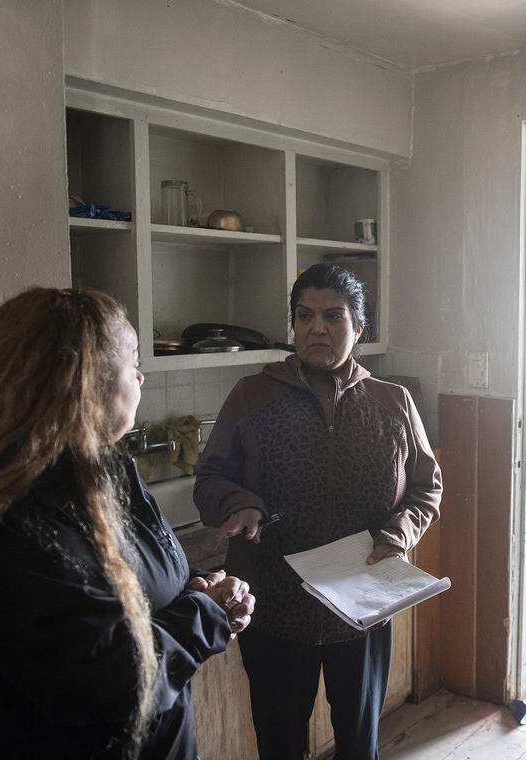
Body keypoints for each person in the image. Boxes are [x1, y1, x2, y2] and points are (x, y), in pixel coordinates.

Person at [0, 287, 256, 759]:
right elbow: (105, 681)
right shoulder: (14, 518)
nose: (141, 377)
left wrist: (198, 592)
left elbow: (144, 590)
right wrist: (204, 615)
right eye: (132, 362)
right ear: (84, 380)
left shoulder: (108, 470)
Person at [195, 263, 442, 759]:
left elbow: (426, 487)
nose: (317, 328)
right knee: (280, 737)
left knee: (359, 740)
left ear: (359, 328)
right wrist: (239, 504)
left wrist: (401, 531)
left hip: (364, 605)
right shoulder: (252, 396)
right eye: (304, 316)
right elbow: (211, 477)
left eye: (333, 316)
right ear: (292, 326)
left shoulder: (392, 402)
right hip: (276, 603)